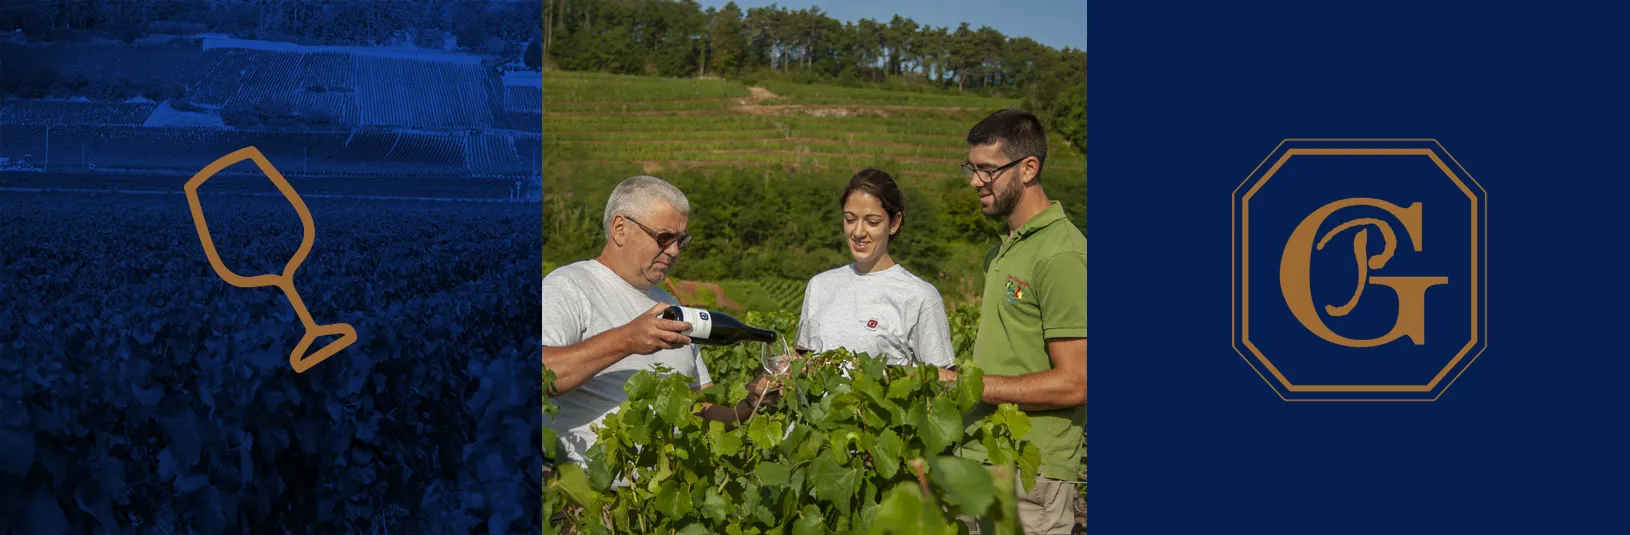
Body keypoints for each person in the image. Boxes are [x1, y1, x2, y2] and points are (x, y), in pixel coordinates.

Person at [541, 175, 775, 469]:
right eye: (663, 238)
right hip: (580, 501)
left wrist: (750, 403)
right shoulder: (569, 286)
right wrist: (626, 340)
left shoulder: (671, 306)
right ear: (620, 228)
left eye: (681, 241)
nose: (675, 251)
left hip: (647, 508)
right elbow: (541, 373)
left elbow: (699, 409)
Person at [941, 109, 1087, 535]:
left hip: (1030, 473)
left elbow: (1077, 382)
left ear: (1028, 168)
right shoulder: (1005, 249)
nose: (974, 182)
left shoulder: (1062, 255)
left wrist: (964, 384)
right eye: (971, 168)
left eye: (987, 170)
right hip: (981, 457)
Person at [794, 168, 955, 368]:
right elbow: (802, 363)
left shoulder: (920, 297)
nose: (858, 232)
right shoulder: (819, 286)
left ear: (894, 222)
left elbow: (943, 383)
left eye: (872, 222)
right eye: (850, 219)